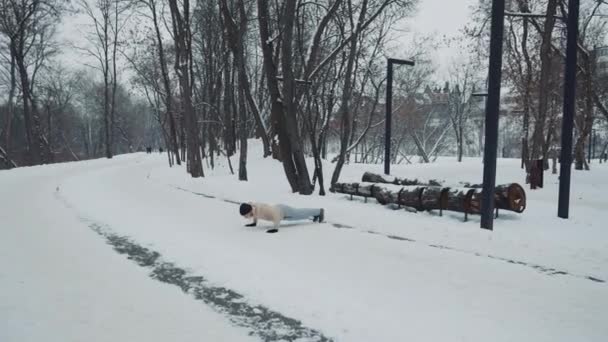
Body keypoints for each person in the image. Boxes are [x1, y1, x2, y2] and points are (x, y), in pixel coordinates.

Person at [239, 202, 324, 233]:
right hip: (279, 209)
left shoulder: (263, 209)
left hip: (283, 212)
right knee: (300, 214)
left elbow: (276, 215)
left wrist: (275, 228)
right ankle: (315, 214)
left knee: (300, 214)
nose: (245, 217)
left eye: (245, 215)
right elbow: (255, 214)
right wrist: (254, 223)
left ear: (249, 212)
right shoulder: (253, 209)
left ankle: (319, 211)